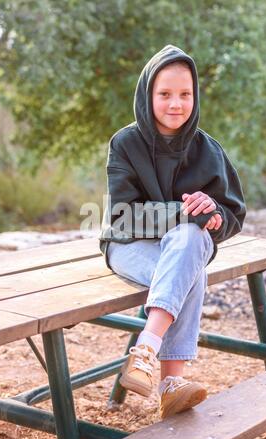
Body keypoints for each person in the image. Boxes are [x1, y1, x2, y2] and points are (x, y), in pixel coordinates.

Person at [99, 44, 246, 419]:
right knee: (189, 258)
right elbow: (121, 216)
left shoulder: (208, 150)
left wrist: (211, 214)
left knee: (191, 241)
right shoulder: (125, 143)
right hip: (128, 245)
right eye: (164, 94)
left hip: (180, 248)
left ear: (195, 97)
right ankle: (170, 383)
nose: (175, 104)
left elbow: (231, 214)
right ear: (147, 93)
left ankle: (146, 349)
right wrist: (182, 212)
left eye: (185, 94)